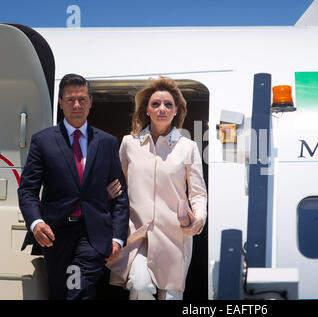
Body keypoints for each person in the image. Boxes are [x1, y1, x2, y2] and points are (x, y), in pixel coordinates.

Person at [18, 73, 130, 300]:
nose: (76, 105)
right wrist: (36, 222)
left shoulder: (106, 142)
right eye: (70, 100)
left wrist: (117, 237)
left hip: (92, 235)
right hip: (55, 234)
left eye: (82, 99)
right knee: (62, 293)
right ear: (60, 103)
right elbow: (28, 190)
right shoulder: (43, 141)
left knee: (77, 291)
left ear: (90, 102)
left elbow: (120, 195)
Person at [106, 77, 207, 300]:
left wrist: (198, 219)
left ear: (176, 111)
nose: (162, 109)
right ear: (147, 110)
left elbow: (198, 192)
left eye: (168, 104)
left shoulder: (187, 147)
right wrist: (107, 196)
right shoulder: (128, 143)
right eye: (155, 104)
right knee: (140, 285)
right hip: (136, 234)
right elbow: (117, 184)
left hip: (174, 235)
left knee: (170, 297)